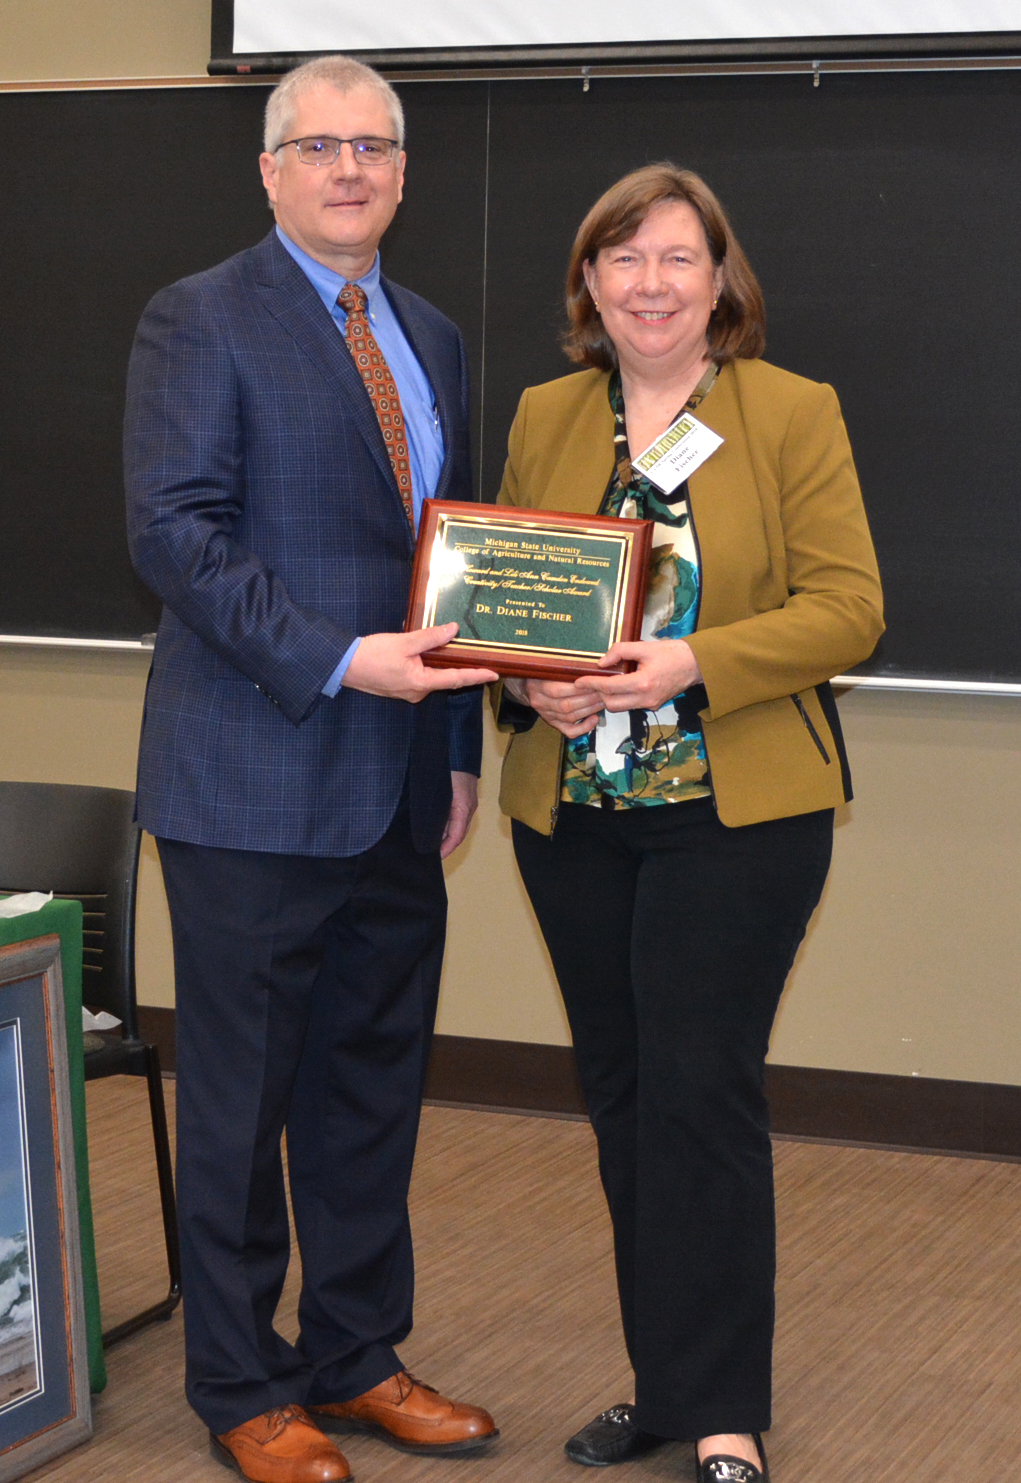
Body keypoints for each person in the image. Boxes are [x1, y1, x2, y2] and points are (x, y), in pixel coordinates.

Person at [125, 55, 500, 1483]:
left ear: (404, 174)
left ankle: (355, 1359)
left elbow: (450, 564)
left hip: (402, 783)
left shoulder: (436, 335)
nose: (351, 167)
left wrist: (454, 742)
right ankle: (240, 1385)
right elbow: (176, 534)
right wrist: (344, 659)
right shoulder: (198, 318)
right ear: (271, 169)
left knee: (369, 1090)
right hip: (252, 782)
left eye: (376, 146)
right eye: (320, 144)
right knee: (240, 1104)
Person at [493, 164, 883, 1481]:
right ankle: (664, 1387)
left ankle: (724, 1414)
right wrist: (522, 681)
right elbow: (510, 595)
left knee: (697, 1100)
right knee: (618, 1098)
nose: (649, 284)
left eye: (676, 259)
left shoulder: (785, 412)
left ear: (720, 283)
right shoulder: (550, 414)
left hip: (736, 815)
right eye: (623, 261)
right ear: (587, 285)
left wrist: (690, 662)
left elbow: (847, 611)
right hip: (575, 816)